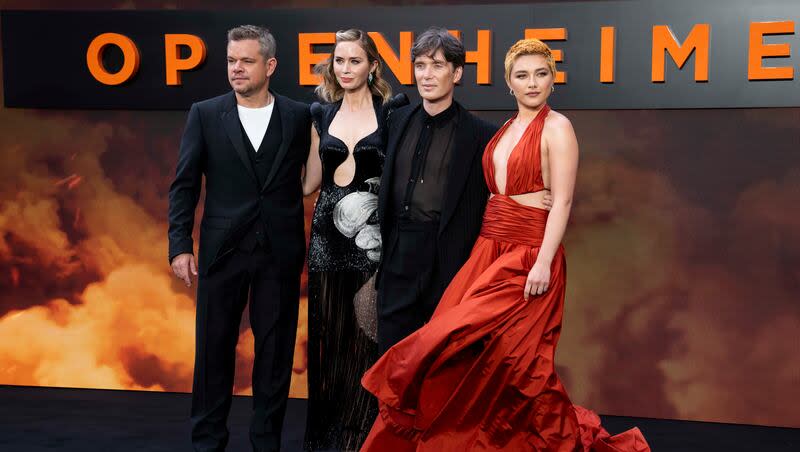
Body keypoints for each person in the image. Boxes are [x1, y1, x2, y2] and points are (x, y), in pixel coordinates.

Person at [361, 39, 651, 451]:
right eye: (522, 75)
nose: (532, 83)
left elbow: (564, 200)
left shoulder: (558, 127)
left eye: (541, 74)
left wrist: (544, 262)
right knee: (460, 353)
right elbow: (487, 190)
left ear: (553, 80)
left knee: (521, 366)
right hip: (487, 250)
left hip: (529, 255)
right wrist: (513, 202)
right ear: (508, 84)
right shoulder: (502, 129)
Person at [167, 25, 311, 452]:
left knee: (274, 355)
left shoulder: (299, 115)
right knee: (213, 352)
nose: (236, 69)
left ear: (270, 66)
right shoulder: (206, 113)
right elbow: (184, 185)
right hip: (220, 253)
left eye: (246, 61)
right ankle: (207, 442)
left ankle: (266, 443)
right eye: (232, 61)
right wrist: (179, 245)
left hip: (279, 253)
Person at [299, 29, 407, 451]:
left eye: (354, 61)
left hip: (370, 242)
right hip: (326, 238)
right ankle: (328, 438)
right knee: (329, 340)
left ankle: (364, 436)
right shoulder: (320, 115)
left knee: (367, 340)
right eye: (339, 61)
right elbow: (310, 183)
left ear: (372, 66)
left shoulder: (391, 112)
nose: (345, 69)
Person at [374, 27, 500, 356]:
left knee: (443, 360)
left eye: (437, 66)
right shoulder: (397, 120)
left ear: (457, 73)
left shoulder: (481, 134)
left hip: (448, 260)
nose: (426, 75)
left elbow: (500, 193)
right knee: (392, 357)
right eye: (420, 66)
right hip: (398, 254)